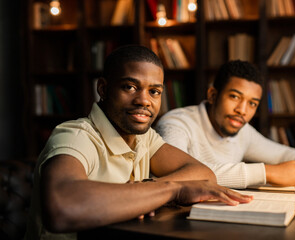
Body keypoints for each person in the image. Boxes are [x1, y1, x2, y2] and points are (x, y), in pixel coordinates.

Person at [25, 46, 253, 240]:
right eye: (130, 87)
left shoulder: (145, 138)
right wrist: (174, 189)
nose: (144, 100)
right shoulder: (75, 136)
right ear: (103, 89)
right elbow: (62, 208)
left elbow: (203, 175)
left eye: (154, 91)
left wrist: (145, 191)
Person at [156, 60, 295, 190]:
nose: (242, 110)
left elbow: (281, 153)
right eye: (234, 97)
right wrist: (266, 173)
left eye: (252, 103)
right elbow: (178, 176)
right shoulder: (175, 124)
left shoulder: (242, 130)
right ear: (212, 95)